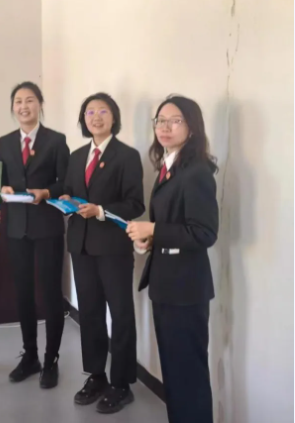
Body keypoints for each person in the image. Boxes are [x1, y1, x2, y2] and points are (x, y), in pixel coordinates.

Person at [126, 95, 218, 423]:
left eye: (175, 121)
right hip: (166, 285)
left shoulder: (197, 172)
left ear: (191, 127)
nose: (165, 127)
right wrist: (150, 239)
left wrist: (154, 228)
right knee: (175, 373)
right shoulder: (169, 165)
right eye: (160, 121)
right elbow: (175, 227)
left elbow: (204, 233)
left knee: (188, 375)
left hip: (186, 289)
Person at [60, 93, 144, 414]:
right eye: (90, 112)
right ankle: (96, 376)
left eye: (103, 111)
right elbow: (71, 191)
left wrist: (100, 210)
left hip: (112, 247)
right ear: (83, 119)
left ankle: (122, 384)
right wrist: (66, 199)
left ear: (114, 117)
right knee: (90, 313)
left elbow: (135, 203)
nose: (96, 117)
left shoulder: (127, 156)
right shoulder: (76, 156)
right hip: (80, 245)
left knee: (120, 314)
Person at [0, 82, 69, 389]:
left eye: (30, 100)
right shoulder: (5, 142)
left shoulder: (56, 140)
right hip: (17, 228)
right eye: (18, 101)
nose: (24, 106)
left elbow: (67, 183)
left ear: (40, 105)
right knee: (22, 293)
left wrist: (47, 192)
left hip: (47, 226)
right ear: (13, 107)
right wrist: (1, 189)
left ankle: (51, 359)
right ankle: (31, 356)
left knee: (50, 294)